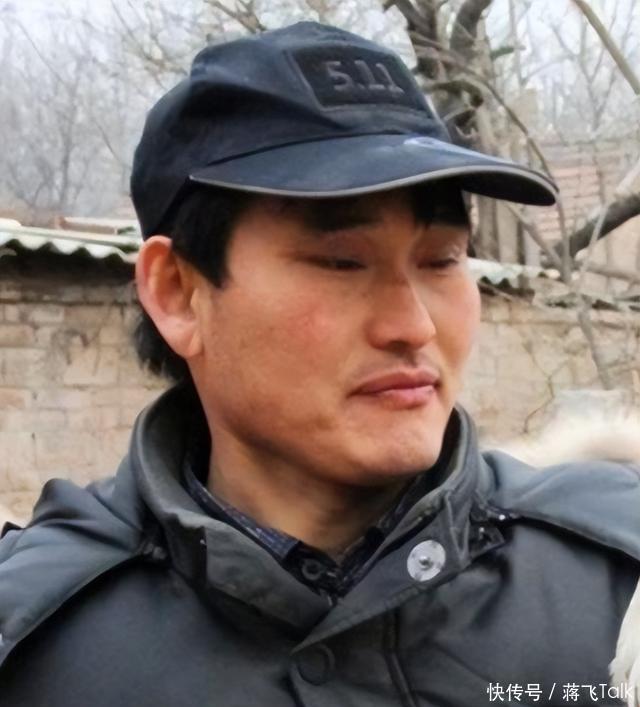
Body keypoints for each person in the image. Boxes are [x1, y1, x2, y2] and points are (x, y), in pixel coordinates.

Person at [0, 21, 638, 707]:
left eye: (443, 260)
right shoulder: (38, 644)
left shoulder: (616, 581)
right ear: (179, 293)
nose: (414, 326)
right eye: (341, 263)